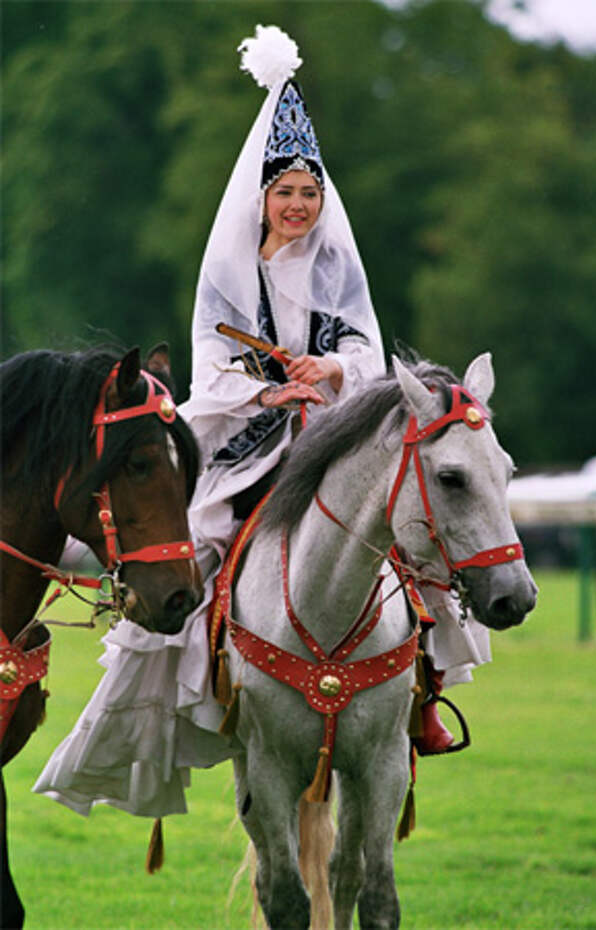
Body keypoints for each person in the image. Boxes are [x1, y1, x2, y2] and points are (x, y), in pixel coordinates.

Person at [34, 26, 489, 819]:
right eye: (286, 194)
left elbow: (362, 344)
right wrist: (265, 391)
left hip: (332, 426)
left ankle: (421, 696)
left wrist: (334, 370)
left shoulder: (338, 264)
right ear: (263, 200)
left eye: (310, 194)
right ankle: (190, 688)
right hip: (249, 441)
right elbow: (210, 361)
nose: (299, 206)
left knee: (413, 547)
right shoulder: (227, 271)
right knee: (201, 545)